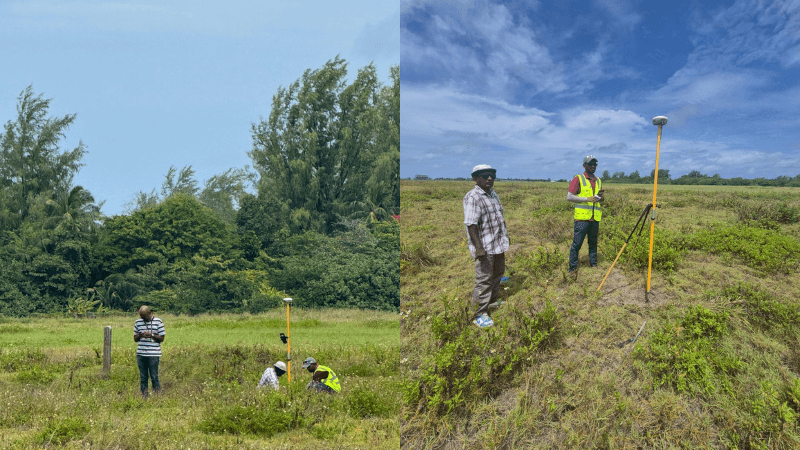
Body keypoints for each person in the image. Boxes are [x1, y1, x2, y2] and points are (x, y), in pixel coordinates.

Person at [463, 164, 509, 329]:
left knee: (497, 274)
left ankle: (492, 301)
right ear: (476, 178)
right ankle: (479, 314)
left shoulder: (493, 194)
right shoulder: (473, 197)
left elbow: (498, 219)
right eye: (485, 175)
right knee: (483, 280)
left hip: (498, 244)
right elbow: (471, 225)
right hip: (485, 246)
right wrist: (479, 248)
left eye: (492, 175)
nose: (490, 178)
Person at [567, 155, 604, 277]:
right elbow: (569, 197)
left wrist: (600, 198)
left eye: (595, 164)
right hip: (582, 219)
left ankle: (593, 264)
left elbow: (597, 199)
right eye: (590, 164)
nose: (593, 166)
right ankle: (572, 268)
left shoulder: (598, 180)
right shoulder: (578, 179)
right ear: (584, 165)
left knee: (593, 243)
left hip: (595, 218)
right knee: (577, 244)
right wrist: (586, 199)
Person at [133, 305, 165, 397]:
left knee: (154, 376)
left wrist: (152, 335)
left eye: (145, 317)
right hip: (141, 354)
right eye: (142, 318)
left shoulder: (158, 321)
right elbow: (135, 338)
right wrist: (141, 335)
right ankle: (144, 396)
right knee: (143, 377)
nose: (144, 320)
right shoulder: (138, 322)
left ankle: (157, 395)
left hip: (153, 354)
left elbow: (161, 338)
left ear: (150, 313)